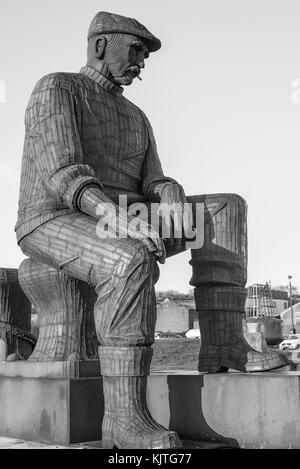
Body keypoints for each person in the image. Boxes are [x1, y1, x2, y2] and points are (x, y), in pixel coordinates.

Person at [15, 11, 287, 449]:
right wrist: (111, 214)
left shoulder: (136, 116)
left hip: (124, 212)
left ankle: (223, 346)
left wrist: (170, 190)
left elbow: (151, 179)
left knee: (225, 209)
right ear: (101, 45)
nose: (142, 62)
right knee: (128, 257)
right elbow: (62, 172)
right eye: (137, 49)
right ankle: (123, 420)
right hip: (53, 216)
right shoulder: (58, 87)